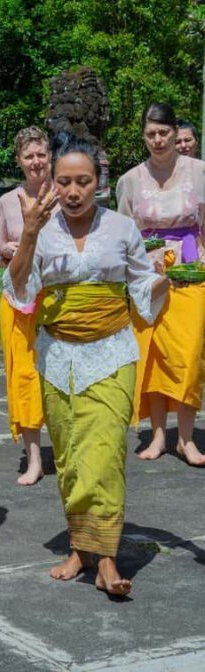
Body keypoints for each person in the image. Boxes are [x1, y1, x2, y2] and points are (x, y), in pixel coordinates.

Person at [6, 137, 169, 596]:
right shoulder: (42, 228)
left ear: (99, 181)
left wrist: (163, 279)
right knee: (73, 458)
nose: (74, 191)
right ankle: (80, 547)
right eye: (64, 182)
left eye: (84, 181)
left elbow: (142, 285)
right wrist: (31, 234)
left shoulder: (121, 228)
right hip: (57, 357)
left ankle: (107, 560)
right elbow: (19, 289)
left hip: (112, 354)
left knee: (104, 454)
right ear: (52, 183)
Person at [117, 102, 205, 465]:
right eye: (150, 134)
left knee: (187, 354)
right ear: (144, 136)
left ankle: (186, 438)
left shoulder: (199, 172)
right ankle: (155, 436)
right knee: (151, 356)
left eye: (164, 132)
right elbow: (123, 232)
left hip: (190, 272)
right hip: (148, 274)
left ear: (175, 133)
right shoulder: (131, 179)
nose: (158, 140)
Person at [0, 127, 51, 485]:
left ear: (50, 155)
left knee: (62, 375)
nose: (36, 162)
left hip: (58, 298)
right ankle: (34, 459)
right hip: (18, 299)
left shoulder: (65, 194)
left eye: (41, 154)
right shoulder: (5, 203)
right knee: (25, 377)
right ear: (18, 161)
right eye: (28, 156)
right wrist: (7, 251)